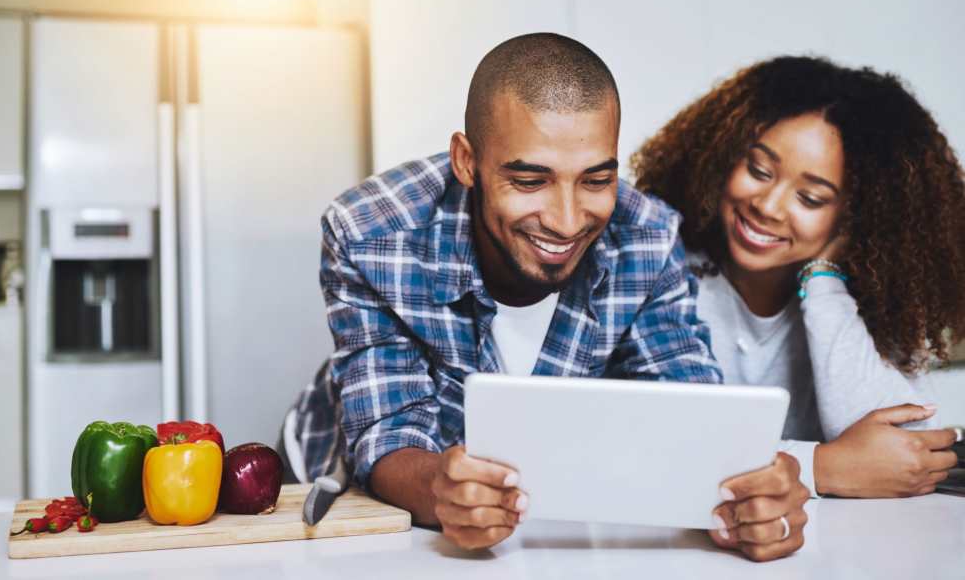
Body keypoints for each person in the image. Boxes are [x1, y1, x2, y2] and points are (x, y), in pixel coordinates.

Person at [280, 33, 808, 561]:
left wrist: (751, 499)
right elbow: (389, 434)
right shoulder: (372, 233)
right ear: (467, 162)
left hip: (535, 530)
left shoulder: (647, 238)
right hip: (334, 485)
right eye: (530, 180)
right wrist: (446, 493)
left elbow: (693, 414)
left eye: (596, 180)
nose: (567, 220)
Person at [630, 55, 965, 500]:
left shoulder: (872, 306)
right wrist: (822, 467)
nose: (768, 206)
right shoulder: (661, 273)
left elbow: (906, 456)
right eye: (758, 171)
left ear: (855, 218)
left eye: (809, 198)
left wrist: (822, 279)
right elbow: (652, 447)